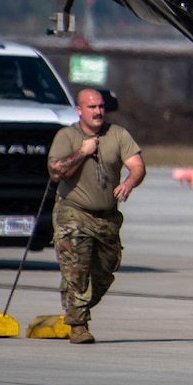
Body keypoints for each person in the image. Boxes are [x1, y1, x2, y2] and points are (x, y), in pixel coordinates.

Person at [43, 87, 145, 344]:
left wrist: (129, 183)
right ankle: (78, 326)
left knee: (104, 272)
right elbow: (56, 172)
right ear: (79, 111)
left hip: (107, 216)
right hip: (73, 212)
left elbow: (137, 166)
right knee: (77, 268)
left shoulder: (117, 134)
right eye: (92, 107)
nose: (98, 111)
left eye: (100, 106)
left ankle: (74, 307)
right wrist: (83, 152)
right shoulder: (67, 135)